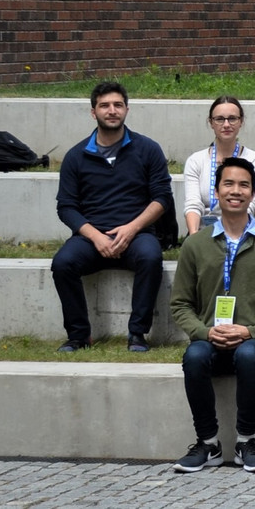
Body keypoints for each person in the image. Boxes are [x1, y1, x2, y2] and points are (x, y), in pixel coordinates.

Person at [169, 157, 255, 474]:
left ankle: (246, 441)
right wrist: (204, 332)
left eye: (243, 185)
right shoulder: (195, 244)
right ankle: (208, 443)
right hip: (210, 339)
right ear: (216, 191)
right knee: (195, 357)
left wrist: (251, 331)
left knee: (249, 355)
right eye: (228, 183)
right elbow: (180, 304)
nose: (235, 191)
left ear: (253, 192)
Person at [55, 84, 172, 353]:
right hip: (91, 237)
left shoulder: (148, 149)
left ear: (126, 110)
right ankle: (78, 336)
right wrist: (95, 236)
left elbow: (162, 198)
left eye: (118, 105)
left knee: (151, 257)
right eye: (105, 105)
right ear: (93, 112)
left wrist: (131, 229)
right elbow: (66, 207)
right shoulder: (76, 156)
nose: (112, 111)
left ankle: (137, 334)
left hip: (137, 233)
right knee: (62, 263)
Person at [182, 96, 255, 234]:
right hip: (202, 231)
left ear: (241, 121)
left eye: (232, 118)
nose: (226, 124)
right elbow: (193, 205)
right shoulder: (195, 161)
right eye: (220, 119)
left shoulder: (254, 159)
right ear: (211, 122)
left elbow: (250, 205)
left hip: (240, 231)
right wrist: (194, 237)